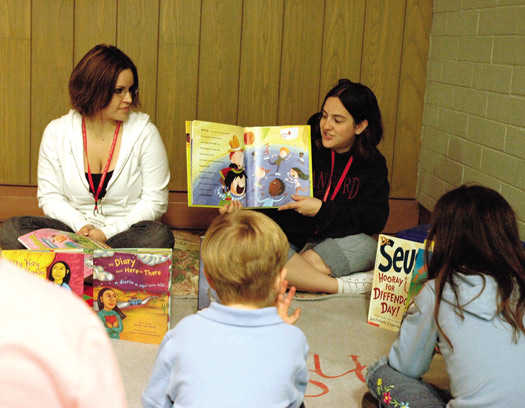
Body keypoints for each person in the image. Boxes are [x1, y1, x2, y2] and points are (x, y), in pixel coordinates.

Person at [363, 185, 525, 408]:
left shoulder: (437, 291)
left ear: (446, 238)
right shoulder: (520, 285)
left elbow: (407, 366)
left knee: (381, 373)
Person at [0, 44, 173, 250]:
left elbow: (155, 201)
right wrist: (81, 226)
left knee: (159, 237)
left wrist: (106, 233)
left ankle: (76, 262)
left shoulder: (146, 133)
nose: (128, 99)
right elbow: (50, 197)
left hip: (123, 233)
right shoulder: (57, 132)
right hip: (72, 231)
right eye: (119, 91)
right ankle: (104, 263)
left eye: (131, 90)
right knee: (11, 231)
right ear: (94, 89)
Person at [141, 210, 309, 408]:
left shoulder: (182, 332)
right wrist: (280, 329)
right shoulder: (294, 339)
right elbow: (293, 398)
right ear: (281, 280)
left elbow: (154, 402)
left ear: (208, 278)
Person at [260, 79, 390, 295]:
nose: (326, 126)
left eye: (337, 120)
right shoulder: (301, 148)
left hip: (334, 245)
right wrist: (242, 208)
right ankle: (336, 286)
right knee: (249, 239)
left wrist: (321, 209)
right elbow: (269, 199)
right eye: (324, 115)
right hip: (289, 240)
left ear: (360, 126)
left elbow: (374, 218)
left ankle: (282, 276)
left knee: (370, 248)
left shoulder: (373, 163)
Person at [0, 258, 127, 407]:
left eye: (61, 269)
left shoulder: (71, 311)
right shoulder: (75, 317)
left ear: (66, 272)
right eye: (56, 269)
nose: (58, 272)